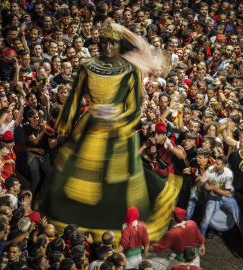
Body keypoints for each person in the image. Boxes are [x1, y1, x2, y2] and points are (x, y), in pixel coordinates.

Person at [35, 24, 182, 243]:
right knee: (70, 177)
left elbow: (134, 107)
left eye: (112, 42)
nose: (107, 46)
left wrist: (120, 125)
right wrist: (64, 126)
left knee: (118, 183)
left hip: (118, 129)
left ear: (120, 45)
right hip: (90, 124)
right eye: (103, 41)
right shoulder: (87, 65)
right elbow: (74, 96)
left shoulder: (130, 69)